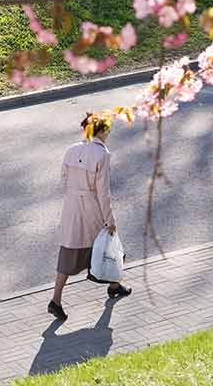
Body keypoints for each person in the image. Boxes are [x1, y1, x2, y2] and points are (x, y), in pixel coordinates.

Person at [48, 112, 131, 321]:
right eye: (108, 129)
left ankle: (56, 300)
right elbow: (103, 192)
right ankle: (113, 285)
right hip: (92, 211)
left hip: (71, 211)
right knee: (108, 248)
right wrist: (110, 219)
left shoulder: (71, 150)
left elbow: (64, 181)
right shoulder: (102, 155)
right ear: (101, 130)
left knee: (68, 255)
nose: (109, 132)